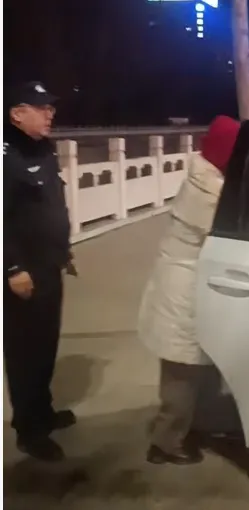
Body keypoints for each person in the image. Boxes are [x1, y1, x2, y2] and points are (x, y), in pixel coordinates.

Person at [138, 115, 241, 465]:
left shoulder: (208, 176)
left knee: (194, 366)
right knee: (180, 371)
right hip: (181, 292)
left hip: (188, 286)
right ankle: (164, 443)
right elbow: (228, 231)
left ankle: (190, 427)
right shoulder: (207, 191)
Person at [4, 81, 77, 462]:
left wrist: (62, 249)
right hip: (22, 273)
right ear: (17, 114)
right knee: (24, 351)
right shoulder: (7, 155)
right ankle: (29, 430)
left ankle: (43, 411)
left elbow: (51, 203)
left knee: (46, 344)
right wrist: (12, 267)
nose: (51, 114)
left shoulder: (42, 148)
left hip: (48, 264)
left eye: (51, 107)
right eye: (41, 108)